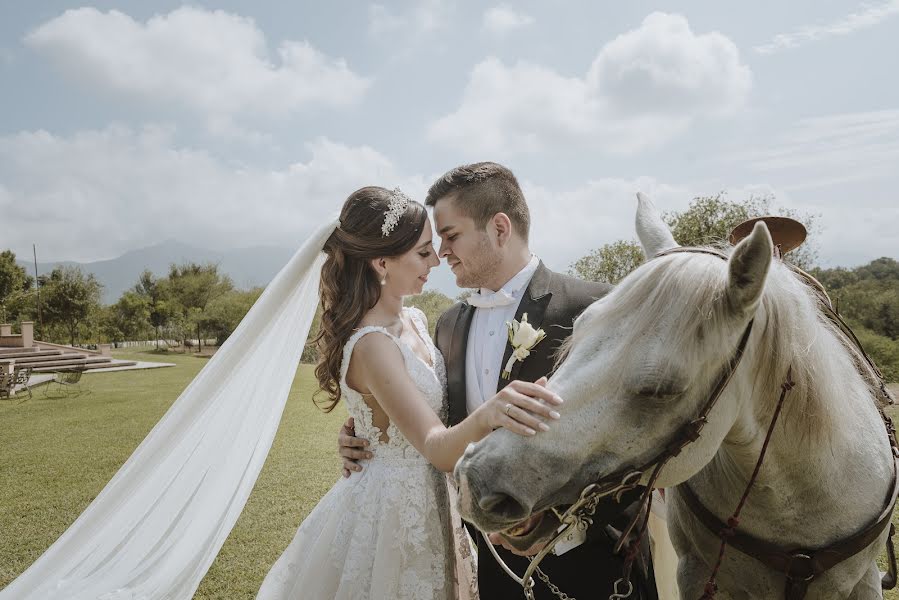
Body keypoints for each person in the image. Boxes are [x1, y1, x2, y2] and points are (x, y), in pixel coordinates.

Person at [339, 164, 656, 599]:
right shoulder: (447, 326)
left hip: (593, 572)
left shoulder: (596, 308)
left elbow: (644, 438)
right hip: (490, 569)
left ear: (500, 228)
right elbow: (435, 422)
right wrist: (365, 436)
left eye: (450, 236)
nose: (441, 252)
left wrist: (555, 520)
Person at [257, 186, 564, 600]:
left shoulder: (418, 321)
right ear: (382, 262)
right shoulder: (372, 345)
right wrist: (495, 411)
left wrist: (369, 431)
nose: (436, 259)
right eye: (423, 252)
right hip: (392, 513)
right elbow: (435, 446)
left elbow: (424, 411)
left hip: (434, 500)